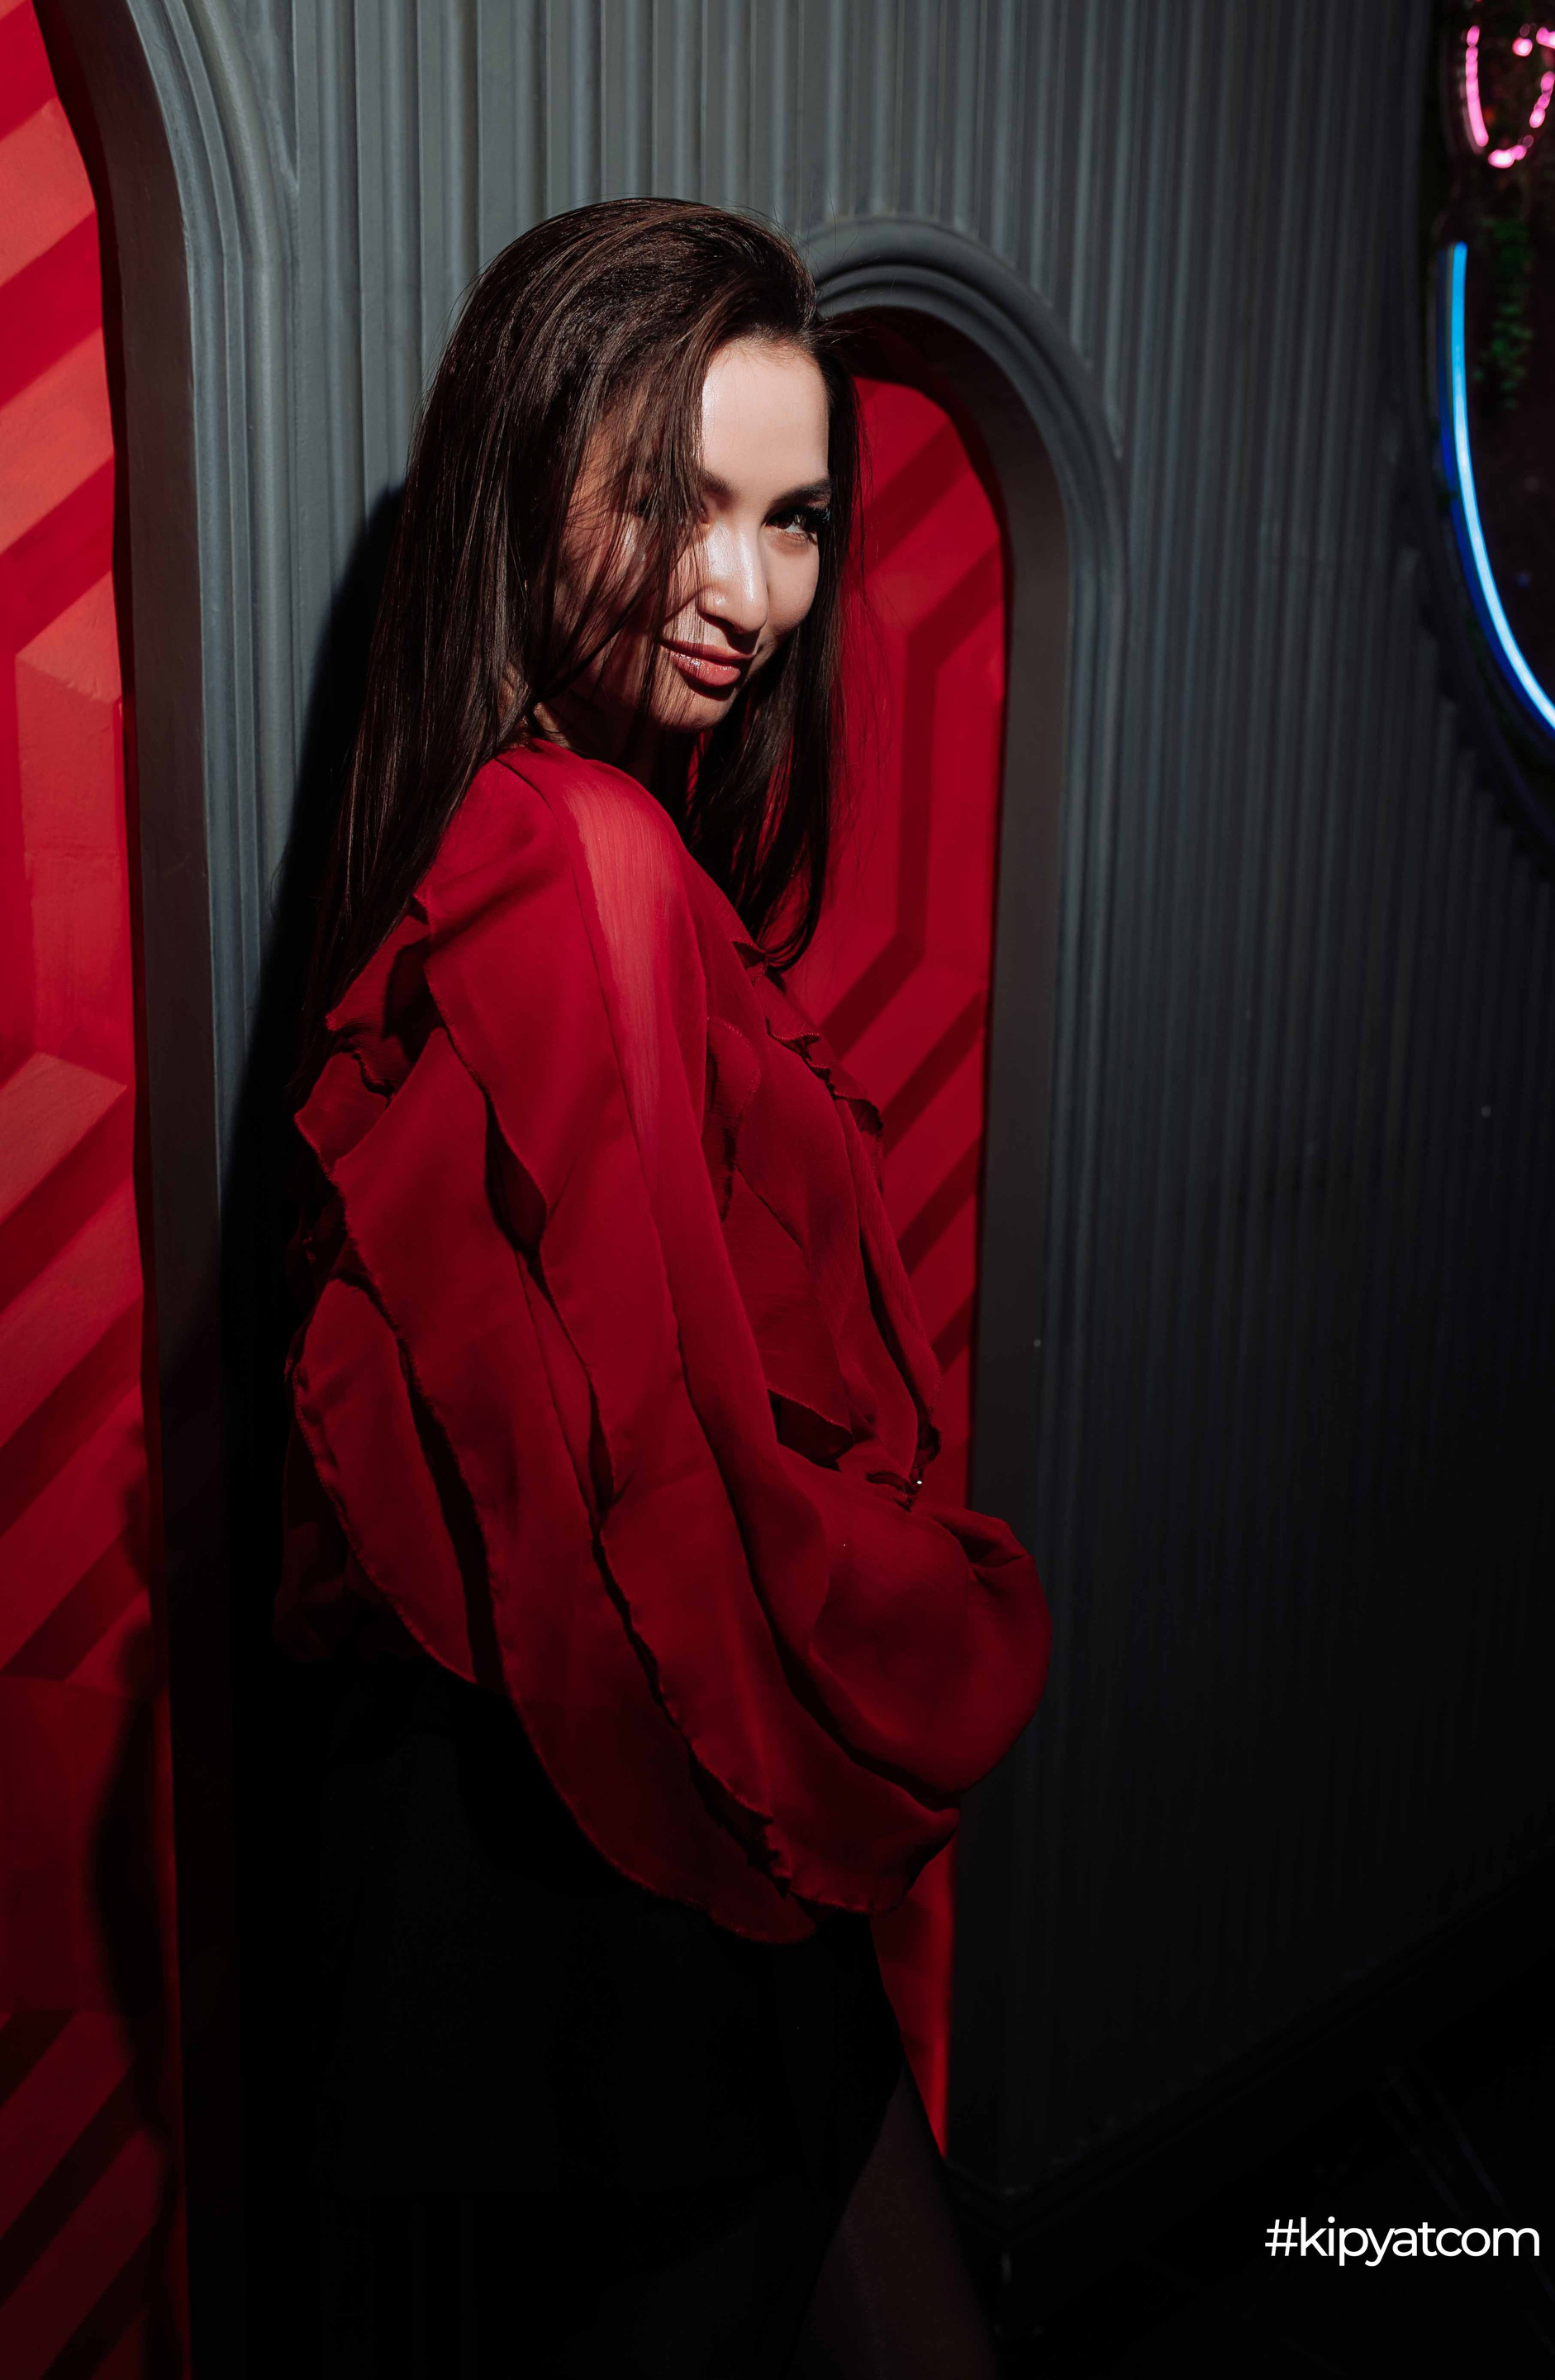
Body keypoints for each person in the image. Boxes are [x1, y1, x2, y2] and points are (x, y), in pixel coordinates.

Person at [278, 196, 1050, 2377]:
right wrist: (900, 1652)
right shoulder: (579, 850)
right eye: (674, 502)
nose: (748, 590)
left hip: (546, 1800)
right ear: (527, 478)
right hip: (610, 1818)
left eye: (793, 520)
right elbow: (662, 1445)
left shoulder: (522, 822)